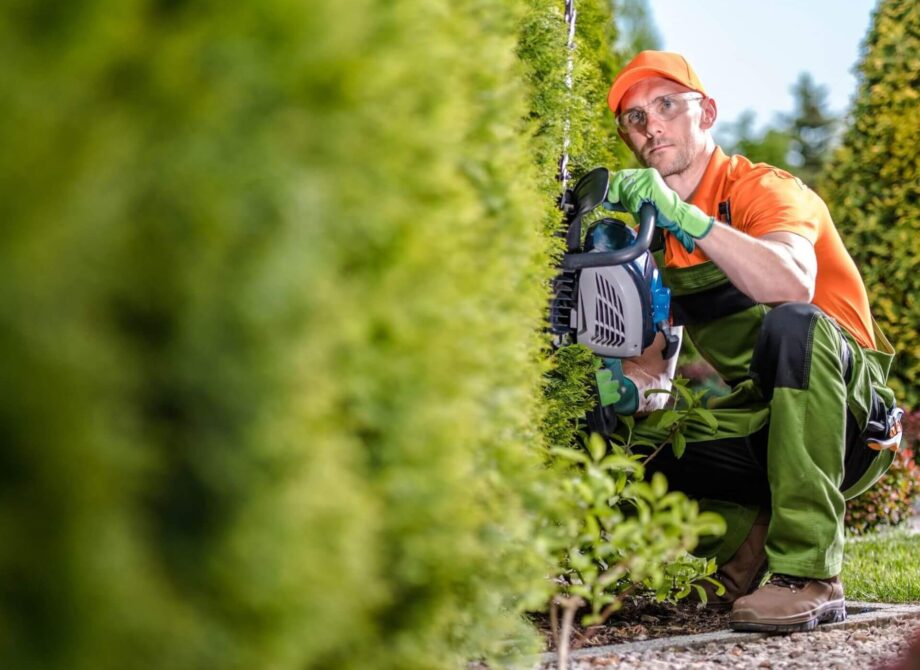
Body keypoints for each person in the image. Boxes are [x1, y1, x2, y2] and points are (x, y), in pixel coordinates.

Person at [603, 51, 902, 633]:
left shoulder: (764, 189)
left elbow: (791, 283)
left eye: (666, 105)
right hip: (764, 421)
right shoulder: (656, 240)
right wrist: (621, 391)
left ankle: (810, 574)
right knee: (628, 435)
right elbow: (655, 376)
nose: (651, 126)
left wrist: (691, 220)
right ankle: (743, 551)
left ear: (707, 113)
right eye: (635, 118)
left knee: (794, 324)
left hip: (849, 418)